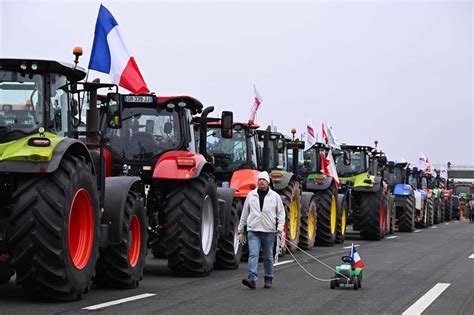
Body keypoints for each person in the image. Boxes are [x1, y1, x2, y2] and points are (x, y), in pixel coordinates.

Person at [238, 171, 285, 289]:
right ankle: (252, 279)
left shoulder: (275, 197)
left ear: (268, 182)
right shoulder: (251, 196)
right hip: (253, 230)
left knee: (268, 256)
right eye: (259, 180)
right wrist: (240, 231)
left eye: (263, 180)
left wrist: (279, 228)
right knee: (253, 254)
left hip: (269, 231)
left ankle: (268, 277)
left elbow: (281, 213)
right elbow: (244, 214)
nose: (261, 182)